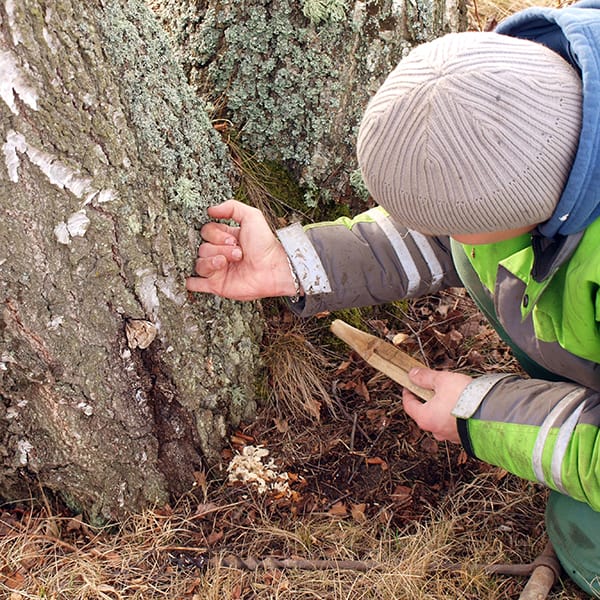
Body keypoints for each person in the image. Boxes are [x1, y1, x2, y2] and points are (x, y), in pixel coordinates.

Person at [187, 1, 600, 593]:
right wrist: (298, 262)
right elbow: (450, 226)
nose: (444, 235)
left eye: (457, 223)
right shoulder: (527, 113)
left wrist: (483, 413)